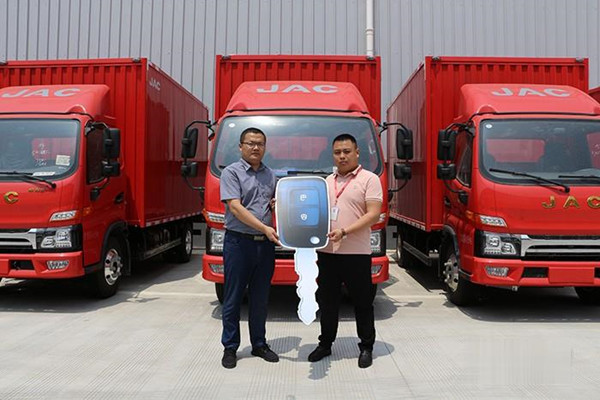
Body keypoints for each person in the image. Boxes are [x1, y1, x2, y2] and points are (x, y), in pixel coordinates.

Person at [308, 133, 383, 369]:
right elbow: (312, 209)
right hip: (327, 253)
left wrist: (345, 231)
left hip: (356, 254)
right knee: (327, 302)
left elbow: (373, 214)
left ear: (357, 153)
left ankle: (366, 346)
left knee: (362, 302)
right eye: (337, 152)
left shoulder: (369, 179)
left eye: (347, 151)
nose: (342, 156)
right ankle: (325, 343)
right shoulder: (326, 182)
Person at [219, 127, 280, 369]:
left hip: (264, 246)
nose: (255, 147)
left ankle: (259, 344)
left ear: (265, 147)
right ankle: (230, 347)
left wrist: (278, 206)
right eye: (251, 143)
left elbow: (273, 205)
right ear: (241, 146)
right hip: (238, 243)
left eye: (260, 144)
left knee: (260, 298)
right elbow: (235, 207)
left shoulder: (271, 175)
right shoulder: (231, 173)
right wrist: (265, 228)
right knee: (233, 298)